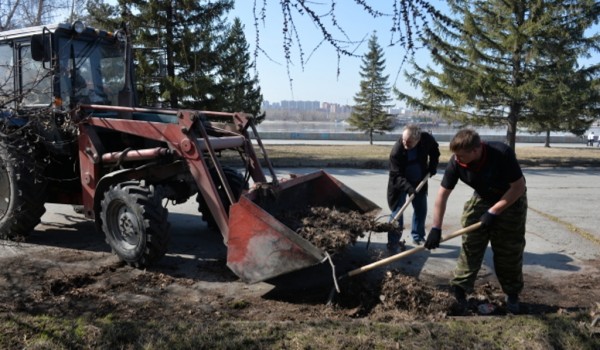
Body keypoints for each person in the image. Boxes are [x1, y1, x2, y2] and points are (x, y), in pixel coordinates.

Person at [424, 129, 527, 314]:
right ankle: (460, 290)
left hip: (511, 199)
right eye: (456, 155)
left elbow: (519, 187)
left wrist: (493, 212)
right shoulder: (457, 162)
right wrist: (436, 228)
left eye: (462, 156)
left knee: (508, 249)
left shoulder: (501, 153)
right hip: (482, 197)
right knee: (471, 245)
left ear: (476, 150)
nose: (458, 159)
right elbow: (442, 195)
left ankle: (512, 294)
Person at [386, 124, 440, 251]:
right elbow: (396, 175)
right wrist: (409, 189)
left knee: (421, 209)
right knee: (397, 213)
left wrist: (433, 166)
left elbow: (435, 151)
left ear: (418, 139)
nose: (405, 144)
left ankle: (418, 236)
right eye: (403, 140)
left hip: (419, 180)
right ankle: (393, 242)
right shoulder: (396, 151)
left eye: (409, 142)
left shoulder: (426, 139)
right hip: (400, 185)